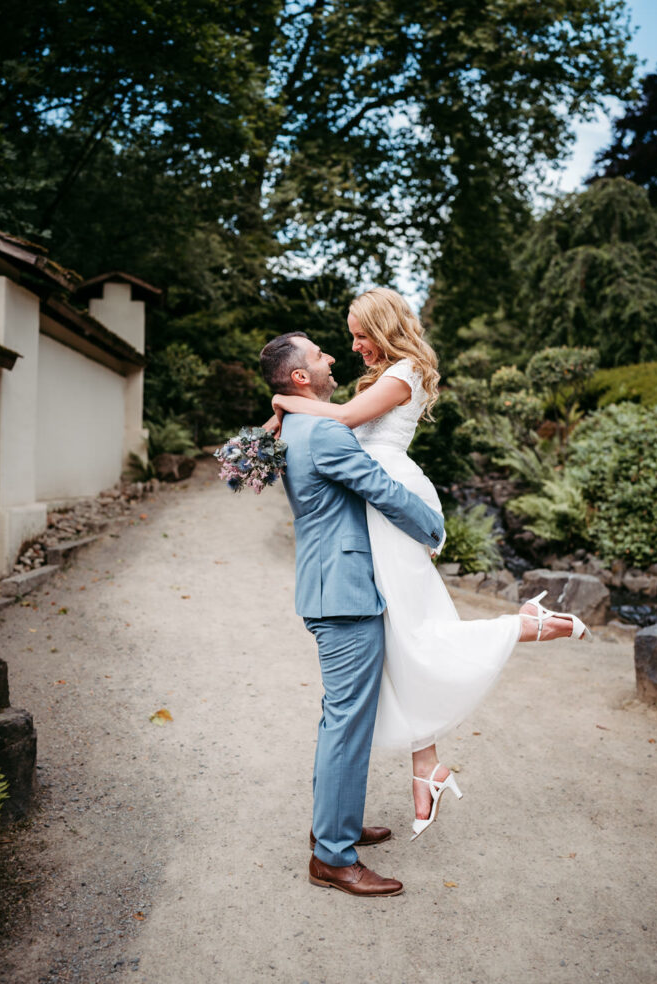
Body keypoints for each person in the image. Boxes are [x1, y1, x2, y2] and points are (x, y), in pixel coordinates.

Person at [269, 288, 589, 842]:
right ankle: (426, 770)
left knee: (413, 630)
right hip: (376, 508)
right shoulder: (382, 376)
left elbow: (341, 419)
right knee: (402, 634)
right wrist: (284, 413)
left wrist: (284, 405)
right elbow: (338, 425)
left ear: (382, 326)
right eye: (344, 339)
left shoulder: (406, 371)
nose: (352, 346)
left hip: (394, 498)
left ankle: (521, 627)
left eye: (359, 333)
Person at [259, 330, 445, 896]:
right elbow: (379, 488)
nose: (331, 357)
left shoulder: (296, 424)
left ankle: (332, 828)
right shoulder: (322, 429)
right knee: (347, 722)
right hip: (344, 594)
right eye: (319, 355)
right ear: (299, 377)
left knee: (339, 717)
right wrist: (433, 527)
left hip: (328, 587)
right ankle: (334, 858)